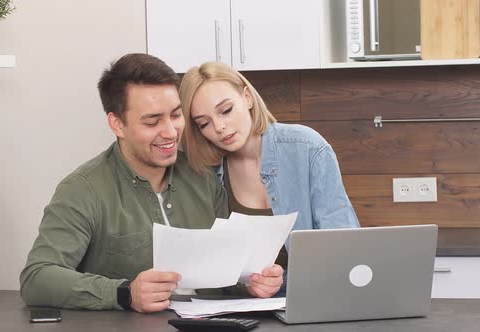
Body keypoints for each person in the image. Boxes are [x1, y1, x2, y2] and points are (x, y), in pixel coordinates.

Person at [20, 54, 284, 313]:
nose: (170, 132)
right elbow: (37, 278)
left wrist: (253, 283)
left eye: (176, 115)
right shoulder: (82, 189)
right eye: (152, 121)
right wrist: (124, 293)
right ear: (117, 124)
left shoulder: (203, 177)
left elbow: (227, 273)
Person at [178, 62, 360, 276]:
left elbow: (343, 242)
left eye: (226, 110)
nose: (219, 127)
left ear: (247, 97)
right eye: (204, 123)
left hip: (313, 289)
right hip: (242, 301)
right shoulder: (204, 172)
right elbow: (210, 261)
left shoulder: (307, 147)